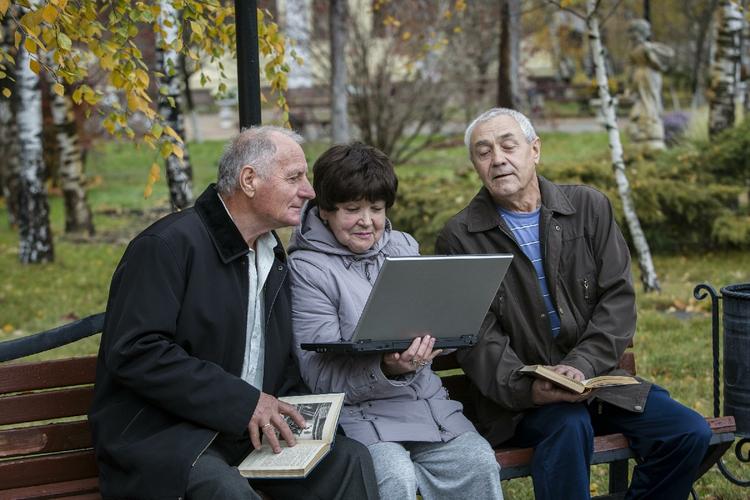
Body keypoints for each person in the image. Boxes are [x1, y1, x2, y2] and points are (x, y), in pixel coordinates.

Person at [436, 108, 713, 500]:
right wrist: (531, 388)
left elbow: (617, 300)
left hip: (601, 385)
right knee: (568, 426)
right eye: (483, 152)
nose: (497, 159)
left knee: (687, 432)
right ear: (475, 165)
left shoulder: (588, 207)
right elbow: (478, 338)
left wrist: (581, 365)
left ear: (535, 150)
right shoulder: (460, 237)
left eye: (508, 145)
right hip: (523, 404)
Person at [89, 127, 379, 500]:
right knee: (227, 491)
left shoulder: (271, 254)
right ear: (249, 180)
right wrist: (244, 403)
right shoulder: (166, 245)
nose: (308, 191)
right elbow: (137, 352)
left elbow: (272, 360)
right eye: (294, 178)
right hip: (165, 437)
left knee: (347, 460)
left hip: (244, 433)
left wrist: (308, 420)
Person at [287, 142, 504, 500]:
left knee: (477, 462)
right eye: (351, 209)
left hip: (425, 407)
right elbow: (319, 377)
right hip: (354, 416)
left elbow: (432, 322)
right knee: (391, 474)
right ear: (324, 210)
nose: (367, 222)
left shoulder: (403, 247)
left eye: (376, 208)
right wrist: (388, 368)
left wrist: (446, 332)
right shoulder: (307, 269)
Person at [626, 19, 674, 151]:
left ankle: (642, 121)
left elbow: (630, 68)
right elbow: (657, 61)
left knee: (643, 98)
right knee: (651, 99)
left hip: (638, 75)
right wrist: (661, 67)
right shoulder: (646, 47)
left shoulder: (633, 49)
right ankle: (650, 120)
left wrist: (629, 85)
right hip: (649, 75)